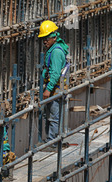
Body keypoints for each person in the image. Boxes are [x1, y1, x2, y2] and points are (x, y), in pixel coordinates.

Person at [38, 20, 70, 149]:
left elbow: (55, 74)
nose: (44, 41)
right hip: (53, 87)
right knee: (50, 116)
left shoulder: (56, 52)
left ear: (54, 37)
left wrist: (48, 89)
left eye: (47, 38)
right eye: (43, 39)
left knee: (53, 116)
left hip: (54, 88)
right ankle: (51, 140)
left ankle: (52, 142)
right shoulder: (53, 49)